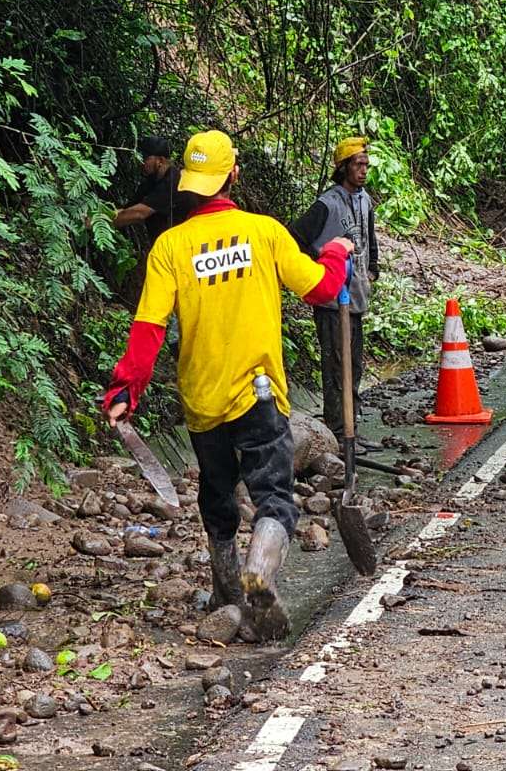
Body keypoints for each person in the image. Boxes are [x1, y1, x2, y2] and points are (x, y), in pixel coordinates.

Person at [101, 130, 355, 641]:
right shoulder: (264, 233)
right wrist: (336, 253)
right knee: (274, 497)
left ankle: (226, 591)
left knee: (216, 493)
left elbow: (148, 329)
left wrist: (126, 389)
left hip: (202, 396)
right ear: (233, 175)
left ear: (190, 186)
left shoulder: (170, 246)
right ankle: (259, 567)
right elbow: (322, 289)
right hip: (259, 393)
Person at [289, 136, 380, 443]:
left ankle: (350, 426)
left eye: (366, 164)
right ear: (343, 168)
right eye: (358, 164)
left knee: (354, 365)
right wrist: (318, 267)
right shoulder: (326, 204)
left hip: (355, 297)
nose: (363, 170)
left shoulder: (365, 199)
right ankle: (337, 431)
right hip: (331, 300)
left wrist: (372, 268)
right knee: (335, 367)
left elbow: (370, 238)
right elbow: (295, 238)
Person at [113, 136, 179, 240]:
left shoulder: (173, 181)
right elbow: (128, 210)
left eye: (145, 158)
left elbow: (139, 213)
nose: (141, 162)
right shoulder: (150, 182)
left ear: (160, 160)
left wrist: (100, 221)